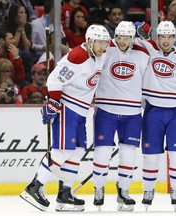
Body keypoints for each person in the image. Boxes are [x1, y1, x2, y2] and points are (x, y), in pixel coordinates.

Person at [20, 24, 110, 212]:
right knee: (62, 150)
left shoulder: (99, 56)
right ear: (90, 41)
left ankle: (64, 194)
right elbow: (54, 79)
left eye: (105, 42)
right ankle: (35, 186)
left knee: (77, 150)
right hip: (67, 108)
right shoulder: (78, 57)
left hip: (81, 111)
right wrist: (53, 102)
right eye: (100, 43)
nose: (104, 47)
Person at [135, 21, 176, 211]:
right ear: (157, 37)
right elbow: (126, 39)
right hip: (153, 111)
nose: (165, 40)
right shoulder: (148, 49)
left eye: (169, 36)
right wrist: (139, 27)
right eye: (162, 36)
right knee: (150, 156)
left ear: (174, 38)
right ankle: (148, 190)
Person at [92, 21, 149, 211]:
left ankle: (123, 191)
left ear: (133, 38)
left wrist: (147, 32)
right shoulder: (106, 48)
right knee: (102, 152)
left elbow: (159, 52)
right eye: (119, 37)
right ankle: (98, 188)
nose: (122, 41)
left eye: (126, 37)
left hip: (132, 111)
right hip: (106, 109)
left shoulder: (142, 53)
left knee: (129, 153)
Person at [4, 3, 34, 83]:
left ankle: (29, 80)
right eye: (21, 13)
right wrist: (19, 28)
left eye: (25, 12)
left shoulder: (28, 26)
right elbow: (12, 45)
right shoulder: (7, 25)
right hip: (10, 51)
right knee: (25, 54)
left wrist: (22, 28)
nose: (24, 15)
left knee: (27, 53)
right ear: (15, 15)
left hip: (24, 52)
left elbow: (27, 46)